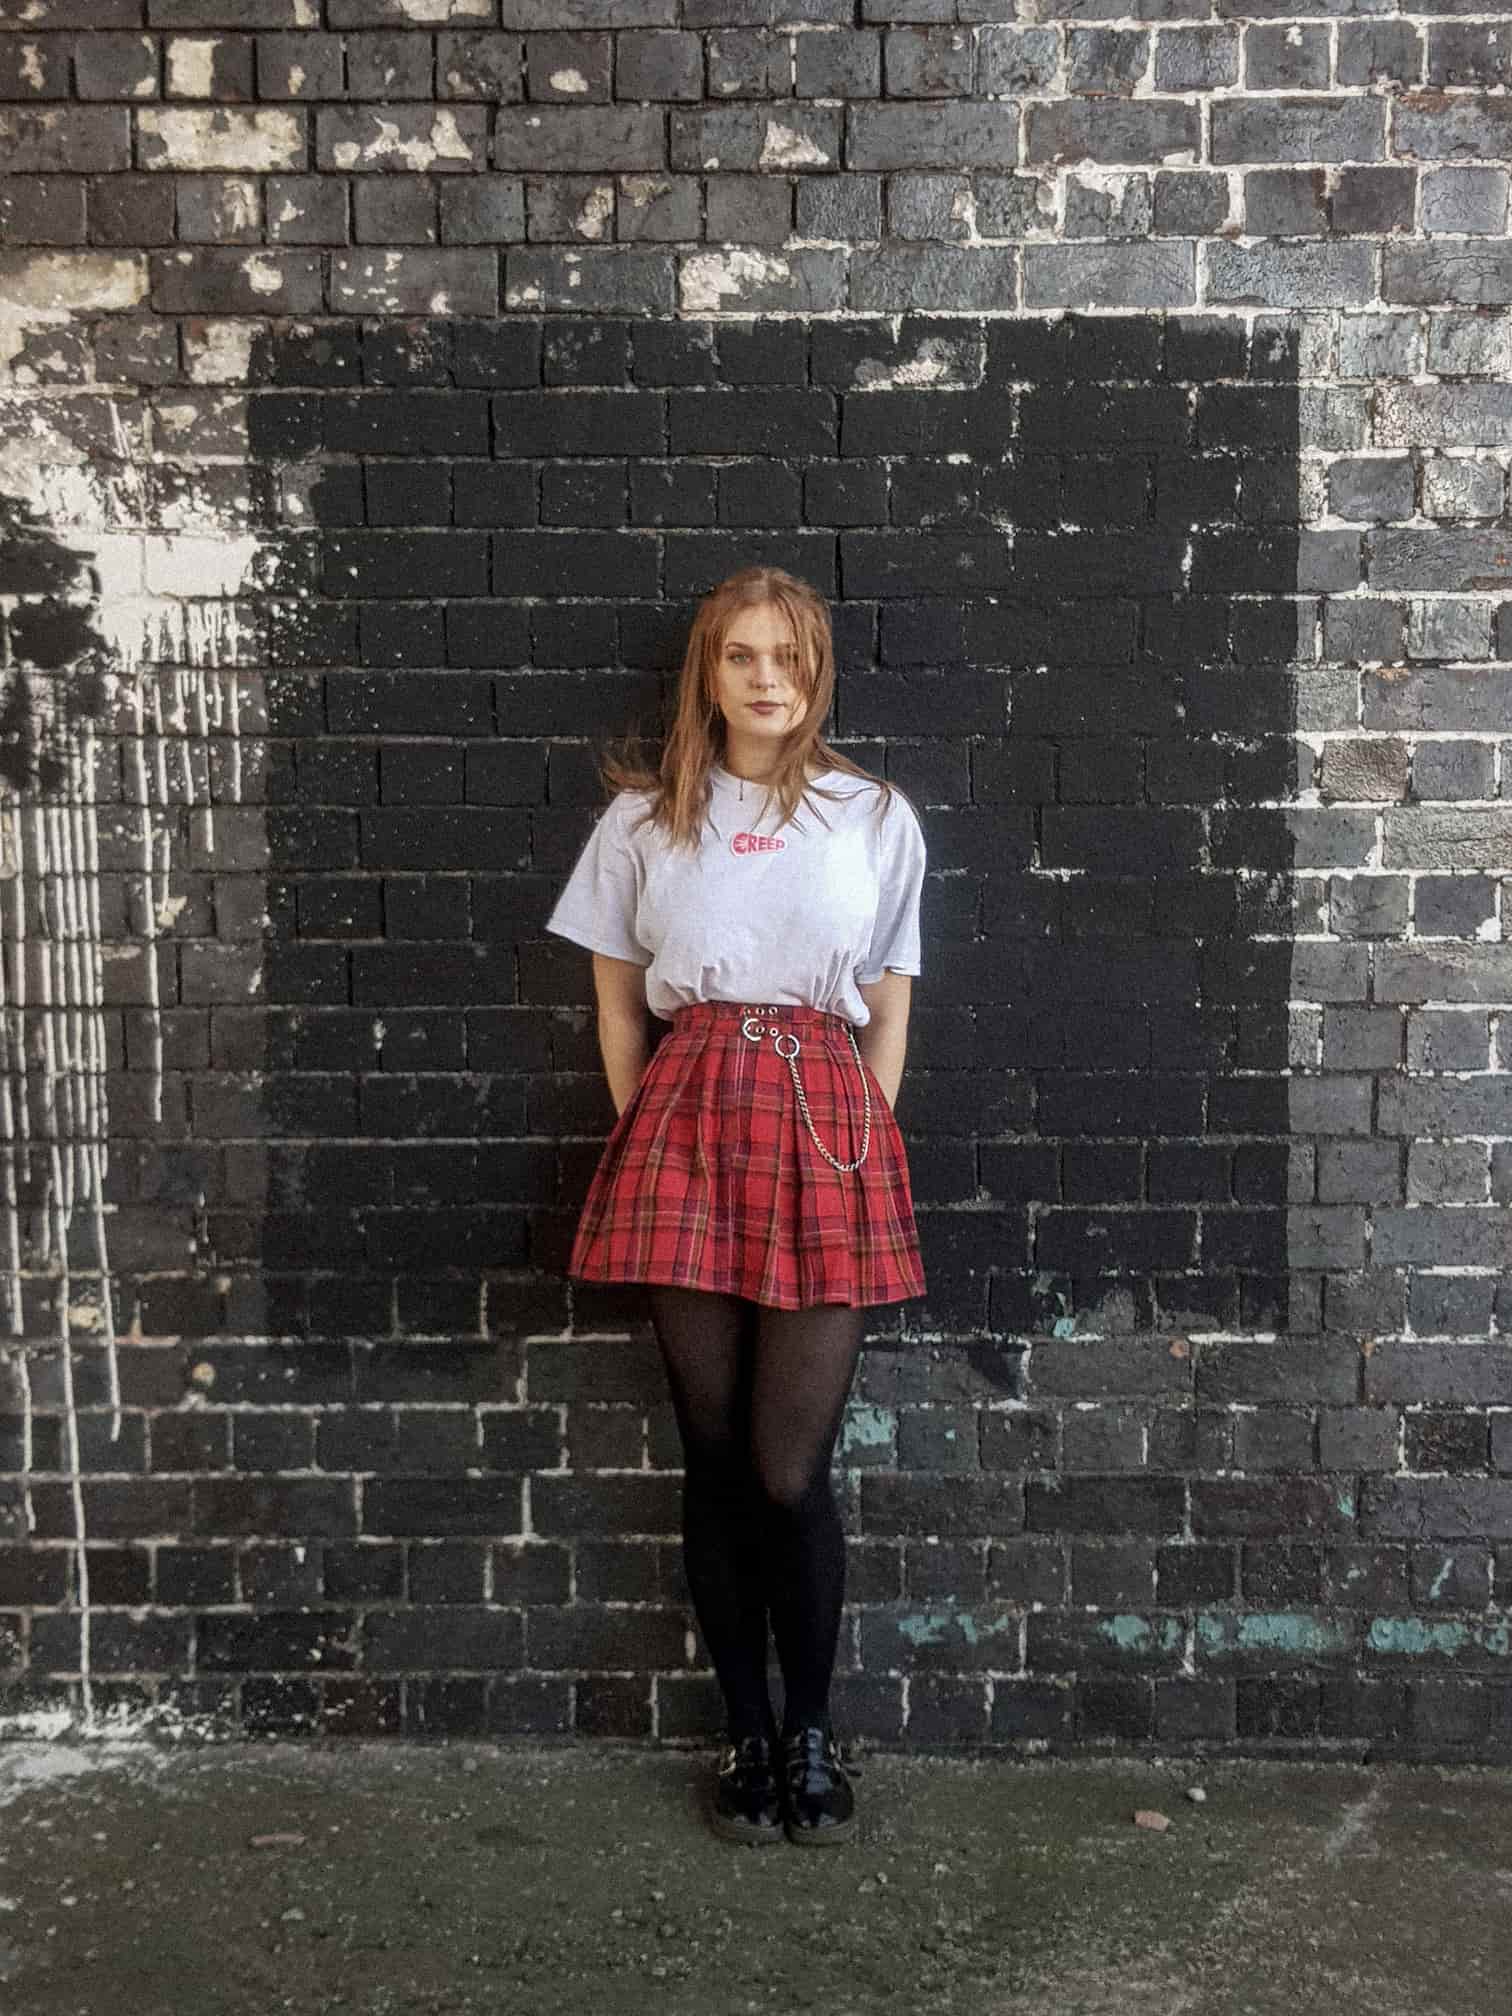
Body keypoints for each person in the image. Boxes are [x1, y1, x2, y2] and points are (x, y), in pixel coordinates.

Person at [543, 566, 927, 1848]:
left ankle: (813, 1728)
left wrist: (862, 1147)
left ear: (818, 674)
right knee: (711, 1456)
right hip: (686, 1120)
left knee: (785, 1465)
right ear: (708, 671)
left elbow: (889, 1013)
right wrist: (646, 1127)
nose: (770, 679)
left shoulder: (872, 815)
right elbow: (614, 1003)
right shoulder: (643, 821)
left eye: (793, 658)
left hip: (825, 1126)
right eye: (745, 657)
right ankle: (747, 1737)